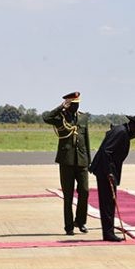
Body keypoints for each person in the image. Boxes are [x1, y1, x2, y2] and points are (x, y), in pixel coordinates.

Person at [88, 115, 135, 241]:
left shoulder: (122, 131)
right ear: (134, 127)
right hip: (105, 170)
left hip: (107, 169)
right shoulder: (121, 132)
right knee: (108, 203)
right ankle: (108, 233)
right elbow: (106, 151)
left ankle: (109, 232)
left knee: (109, 202)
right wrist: (109, 172)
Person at [43, 91, 90, 235]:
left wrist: (88, 161)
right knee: (68, 195)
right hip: (66, 161)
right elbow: (46, 117)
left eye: (77, 103)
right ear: (68, 104)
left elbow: (86, 140)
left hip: (81, 161)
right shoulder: (60, 118)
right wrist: (61, 107)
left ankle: (80, 221)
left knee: (85, 191)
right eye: (73, 104)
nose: (76, 106)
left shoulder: (83, 117)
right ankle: (69, 226)